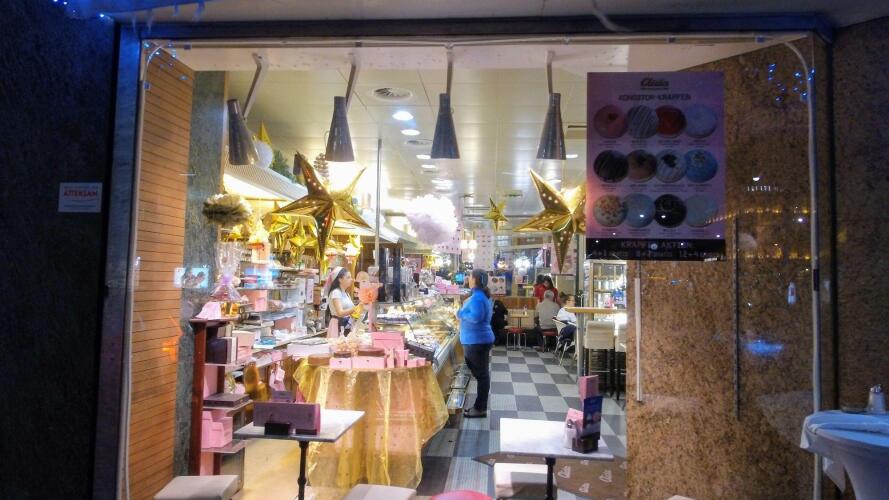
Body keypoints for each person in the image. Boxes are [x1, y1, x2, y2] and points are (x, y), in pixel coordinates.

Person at [457, 269, 495, 418]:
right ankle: (479, 407)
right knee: (482, 375)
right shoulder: (480, 295)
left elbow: (476, 317)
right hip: (478, 340)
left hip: (476, 341)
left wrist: (460, 313)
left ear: (475, 280)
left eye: (470, 277)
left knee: (482, 376)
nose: (468, 278)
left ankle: (480, 409)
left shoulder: (478, 297)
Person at [322, 266, 360, 336]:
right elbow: (340, 313)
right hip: (337, 325)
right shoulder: (336, 292)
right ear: (340, 279)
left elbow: (350, 311)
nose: (351, 279)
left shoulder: (346, 293)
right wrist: (357, 308)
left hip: (345, 325)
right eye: (348, 277)